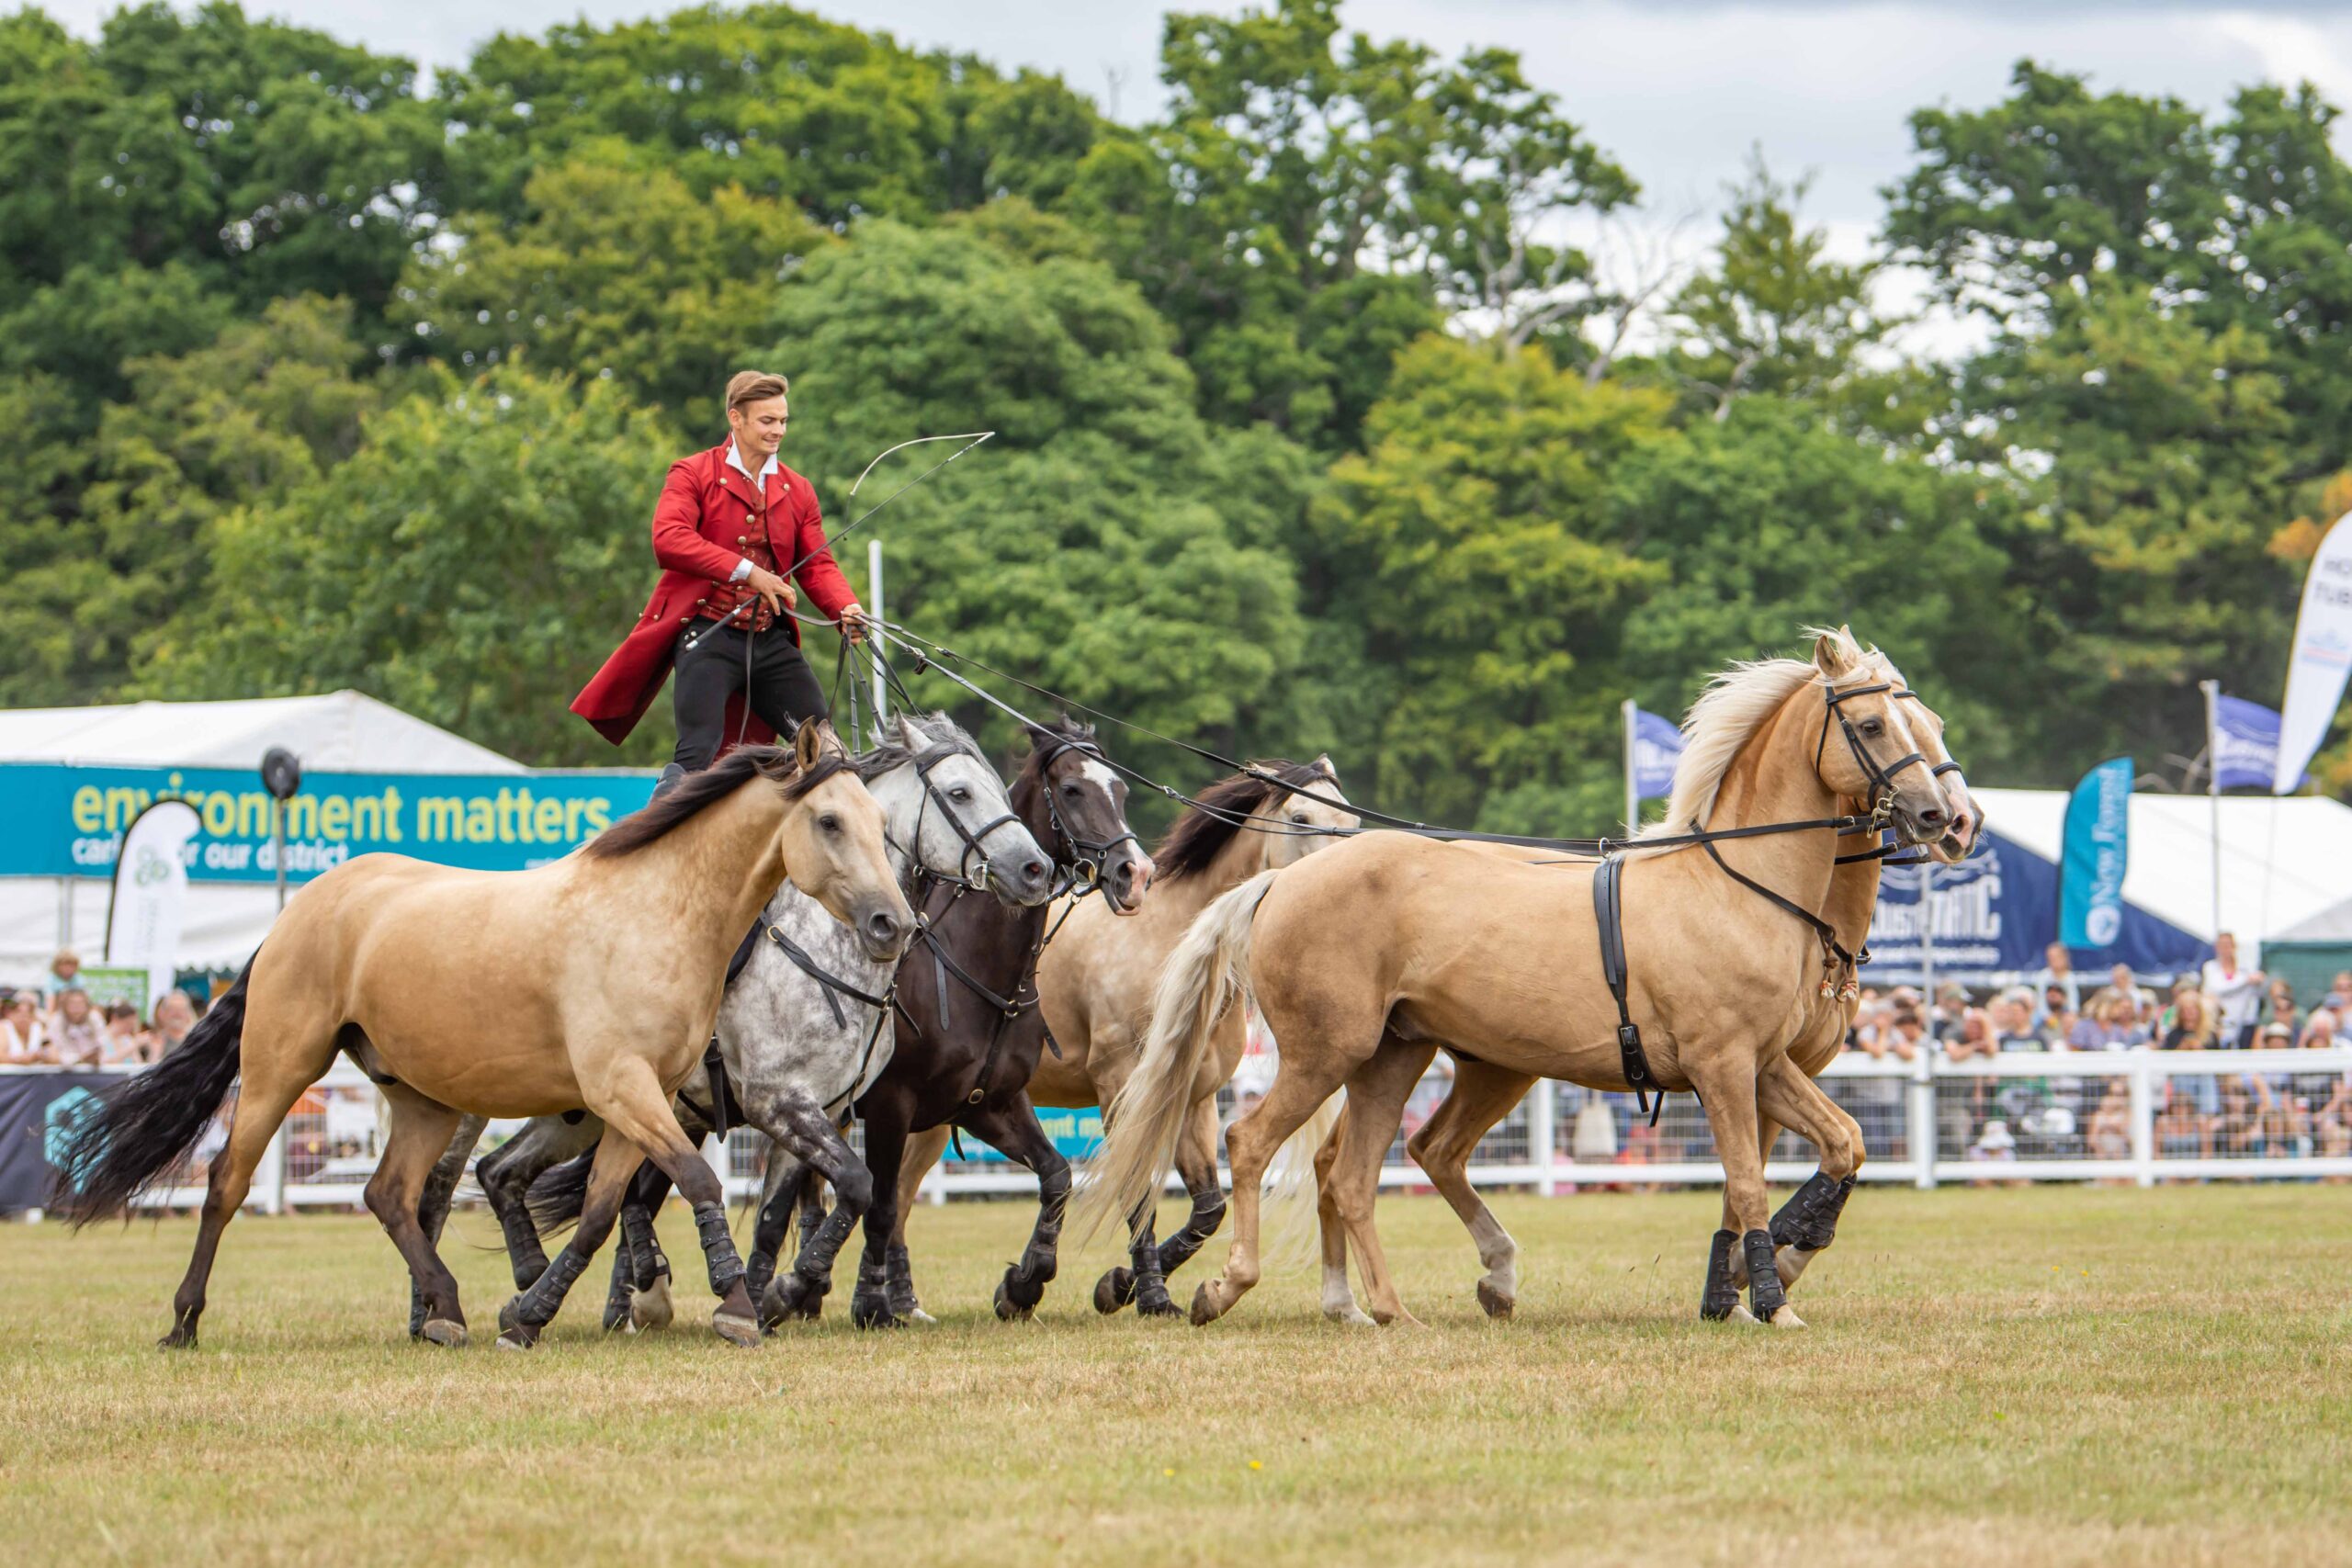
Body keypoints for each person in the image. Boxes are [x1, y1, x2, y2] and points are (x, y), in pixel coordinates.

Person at [571, 369, 868, 784]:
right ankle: (660, 827)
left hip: (769, 639)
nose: (778, 430)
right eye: (767, 420)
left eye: (783, 421)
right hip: (707, 634)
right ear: (736, 418)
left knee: (825, 748)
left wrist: (845, 607)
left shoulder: (798, 489)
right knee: (698, 752)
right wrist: (749, 572)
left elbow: (818, 565)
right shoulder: (692, 473)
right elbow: (669, 539)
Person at [2200, 931, 2265, 1049]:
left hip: (2243, 1023)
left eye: (2228, 945)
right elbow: (2217, 988)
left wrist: (2258, 982)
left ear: (2235, 946)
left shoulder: (2245, 969)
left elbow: (2258, 993)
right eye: (2222, 945)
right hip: (2217, 1024)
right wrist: (2246, 981)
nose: (2226, 949)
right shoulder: (2210, 967)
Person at [43, 987, 101, 1066]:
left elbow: (103, 1044)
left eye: (80, 1003)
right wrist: (79, 1059)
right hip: (64, 1069)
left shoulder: (95, 1018)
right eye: (72, 1003)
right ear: (65, 1005)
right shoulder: (56, 1020)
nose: (77, 1007)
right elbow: (52, 1051)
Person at [2034, 942, 2081, 1022]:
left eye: (2056, 957)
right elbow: (2041, 1001)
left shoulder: (2070, 978)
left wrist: (2071, 1015)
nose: (2053, 961)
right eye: (2050, 958)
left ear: (2064, 958)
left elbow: (2073, 1004)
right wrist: (2048, 1017)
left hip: (2064, 1011)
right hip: (2045, 1014)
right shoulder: (2042, 976)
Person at [151, 989, 198, 1056]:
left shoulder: (196, 1042)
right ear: (162, 1013)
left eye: (181, 1009)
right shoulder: (153, 1042)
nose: (177, 1013)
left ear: (188, 1014)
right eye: (172, 1009)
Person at [0, 991, 43, 1065]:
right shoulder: (4, 1027)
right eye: (18, 1012)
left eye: (27, 1014)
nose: (23, 1018)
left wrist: (42, 1055)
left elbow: (51, 1051)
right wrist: (19, 1060)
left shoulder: (38, 1027)